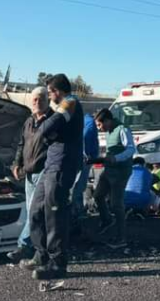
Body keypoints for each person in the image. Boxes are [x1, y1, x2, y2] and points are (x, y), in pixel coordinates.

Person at [23, 73, 84, 280]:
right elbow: (48, 131)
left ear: (58, 91)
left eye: (50, 92)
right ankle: (41, 254)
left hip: (62, 167)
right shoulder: (61, 107)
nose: (49, 97)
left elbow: (47, 127)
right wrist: (48, 131)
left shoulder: (70, 102)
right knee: (36, 210)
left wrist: (46, 129)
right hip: (50, 166)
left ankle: (57, 263)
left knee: (54, 215)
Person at [7, 86, 49, 263]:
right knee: (31, 210)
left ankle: (24, 245)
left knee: (34, 210)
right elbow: (21, 144)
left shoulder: (53, 121)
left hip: (43, 172)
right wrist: (16, 164)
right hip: (28, 173)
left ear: (47, 101)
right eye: (34, 99)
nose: (37, 102)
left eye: (41, 99)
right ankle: (37, 248)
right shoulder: (29, 121)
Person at [91, 108, 136, 244]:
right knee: (98, 196)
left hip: (121, 172)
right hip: (109, 170)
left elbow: (131, 149)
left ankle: (121, 237)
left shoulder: (123, 130)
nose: (99, 128)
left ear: (107, 121)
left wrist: (116, 158)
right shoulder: (108, 132)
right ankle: (107, 220)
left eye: (100, 124)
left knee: (116, 204)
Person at [71, 111, 100, 231]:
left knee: (77, 187)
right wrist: (85, 154)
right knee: (79, 187)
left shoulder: (81, 121)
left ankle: (77, 212)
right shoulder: (90, 122)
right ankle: (77, 214)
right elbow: (85, 136)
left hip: (76, 159)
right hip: (84, 160)